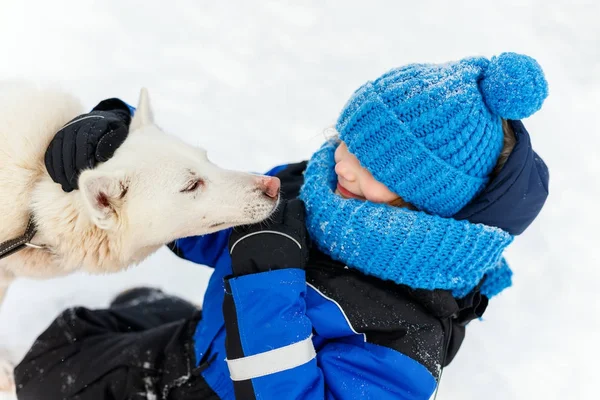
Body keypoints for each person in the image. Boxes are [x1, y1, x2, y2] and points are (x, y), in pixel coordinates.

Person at [15, 52, 550, 400]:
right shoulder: (328, 192)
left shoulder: (408, 339)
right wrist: (117, 141)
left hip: (220, 387)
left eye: (372, 165)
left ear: (423, 204)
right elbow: (203, 212)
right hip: (210, 339)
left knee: (45, 365)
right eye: (346, 137)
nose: (342, 161)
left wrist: (263, 282)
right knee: (92, 322)